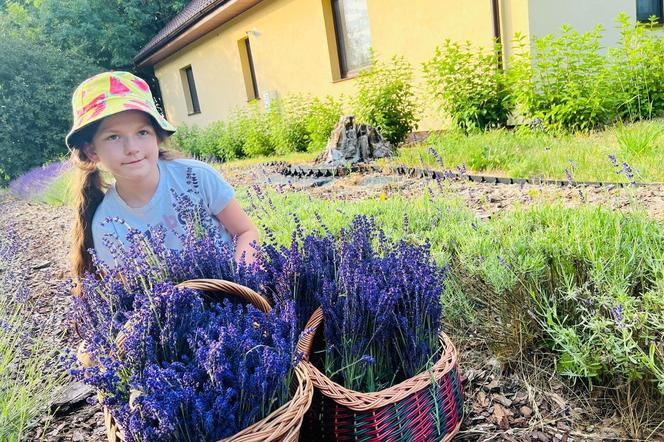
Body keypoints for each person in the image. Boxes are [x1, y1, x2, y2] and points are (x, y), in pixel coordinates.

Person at [66, 71, 258, 278]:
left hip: (234, 292)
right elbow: (131, 293)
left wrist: (242, 278)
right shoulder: (107, 224)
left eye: (142, 132)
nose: (132, 148)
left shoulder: (196, 178)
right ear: (92, 151)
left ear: (157, 137)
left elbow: (246, 232)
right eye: (113, 137)